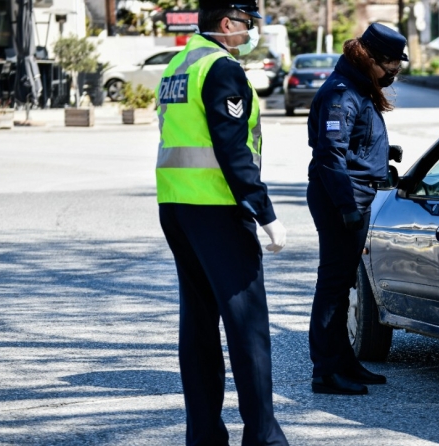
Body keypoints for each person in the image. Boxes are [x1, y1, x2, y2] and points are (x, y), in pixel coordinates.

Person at [155, 1, 289, 444]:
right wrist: (265, 212)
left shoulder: (178, 64)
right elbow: (232, 148)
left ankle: (205, 437)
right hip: (217, 208)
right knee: (247, 324)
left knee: (197, 326)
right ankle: (263, 437)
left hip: (176, 206)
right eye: (247, 23)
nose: (250, 32)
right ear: (227, 22)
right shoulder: (221, 69)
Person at [305, 23, 407, 395]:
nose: (395, 70)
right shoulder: (341, 92)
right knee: (332, 287)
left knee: (343, 283)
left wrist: (382, 154)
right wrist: (347, 207)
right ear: (372, 59)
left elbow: (351, 145)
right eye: (392, 63)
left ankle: (344, 362)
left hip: (353, 193)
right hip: (340, 198)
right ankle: (325, 371)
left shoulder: (358, 86)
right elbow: (330, 153)